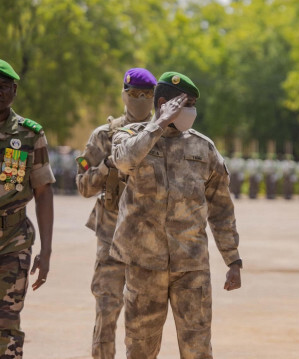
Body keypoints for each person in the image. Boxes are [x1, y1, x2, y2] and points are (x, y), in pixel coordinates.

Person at [109, 71, 242, 358]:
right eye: (185, 103)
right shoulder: (130, 136)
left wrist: (233, 259)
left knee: (198, 349)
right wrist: (157, 125)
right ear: (162, 103)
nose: (191, 110)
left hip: (191, 268)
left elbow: (221, 208)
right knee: (140, 350)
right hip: (144, 265)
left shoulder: (203, 148)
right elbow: (124, 161)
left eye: (193, 103)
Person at [75, 67, 156, 359]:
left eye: (146, 95)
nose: (139, 100)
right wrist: (108, 165)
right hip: (110, 240)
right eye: (133, 94)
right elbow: (82, 187)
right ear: (123, 95)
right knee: (106, 315)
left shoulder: (162, 136)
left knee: (144, 322)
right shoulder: (103, 136)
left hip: (148, 245)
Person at [0, 58, 55, 357]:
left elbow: (44, 191)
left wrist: (46, 251)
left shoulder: (28, 134)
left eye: (4, 86)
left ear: (15, 90)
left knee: (7, 325)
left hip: (13, 240)